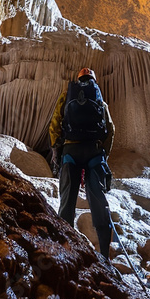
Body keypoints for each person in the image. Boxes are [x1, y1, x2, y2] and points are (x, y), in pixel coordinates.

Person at [50, 68, 115, 259]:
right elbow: (110, 129)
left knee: (67, 203)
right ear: (93, 81)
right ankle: (104, 255)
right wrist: (103, 155)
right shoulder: (99, 100)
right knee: (99, 204)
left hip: (71, 152)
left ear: (78, 80)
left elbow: (54, 124)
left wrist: (56, 151)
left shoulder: (66, 95)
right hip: (93, 153)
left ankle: (64, 251)